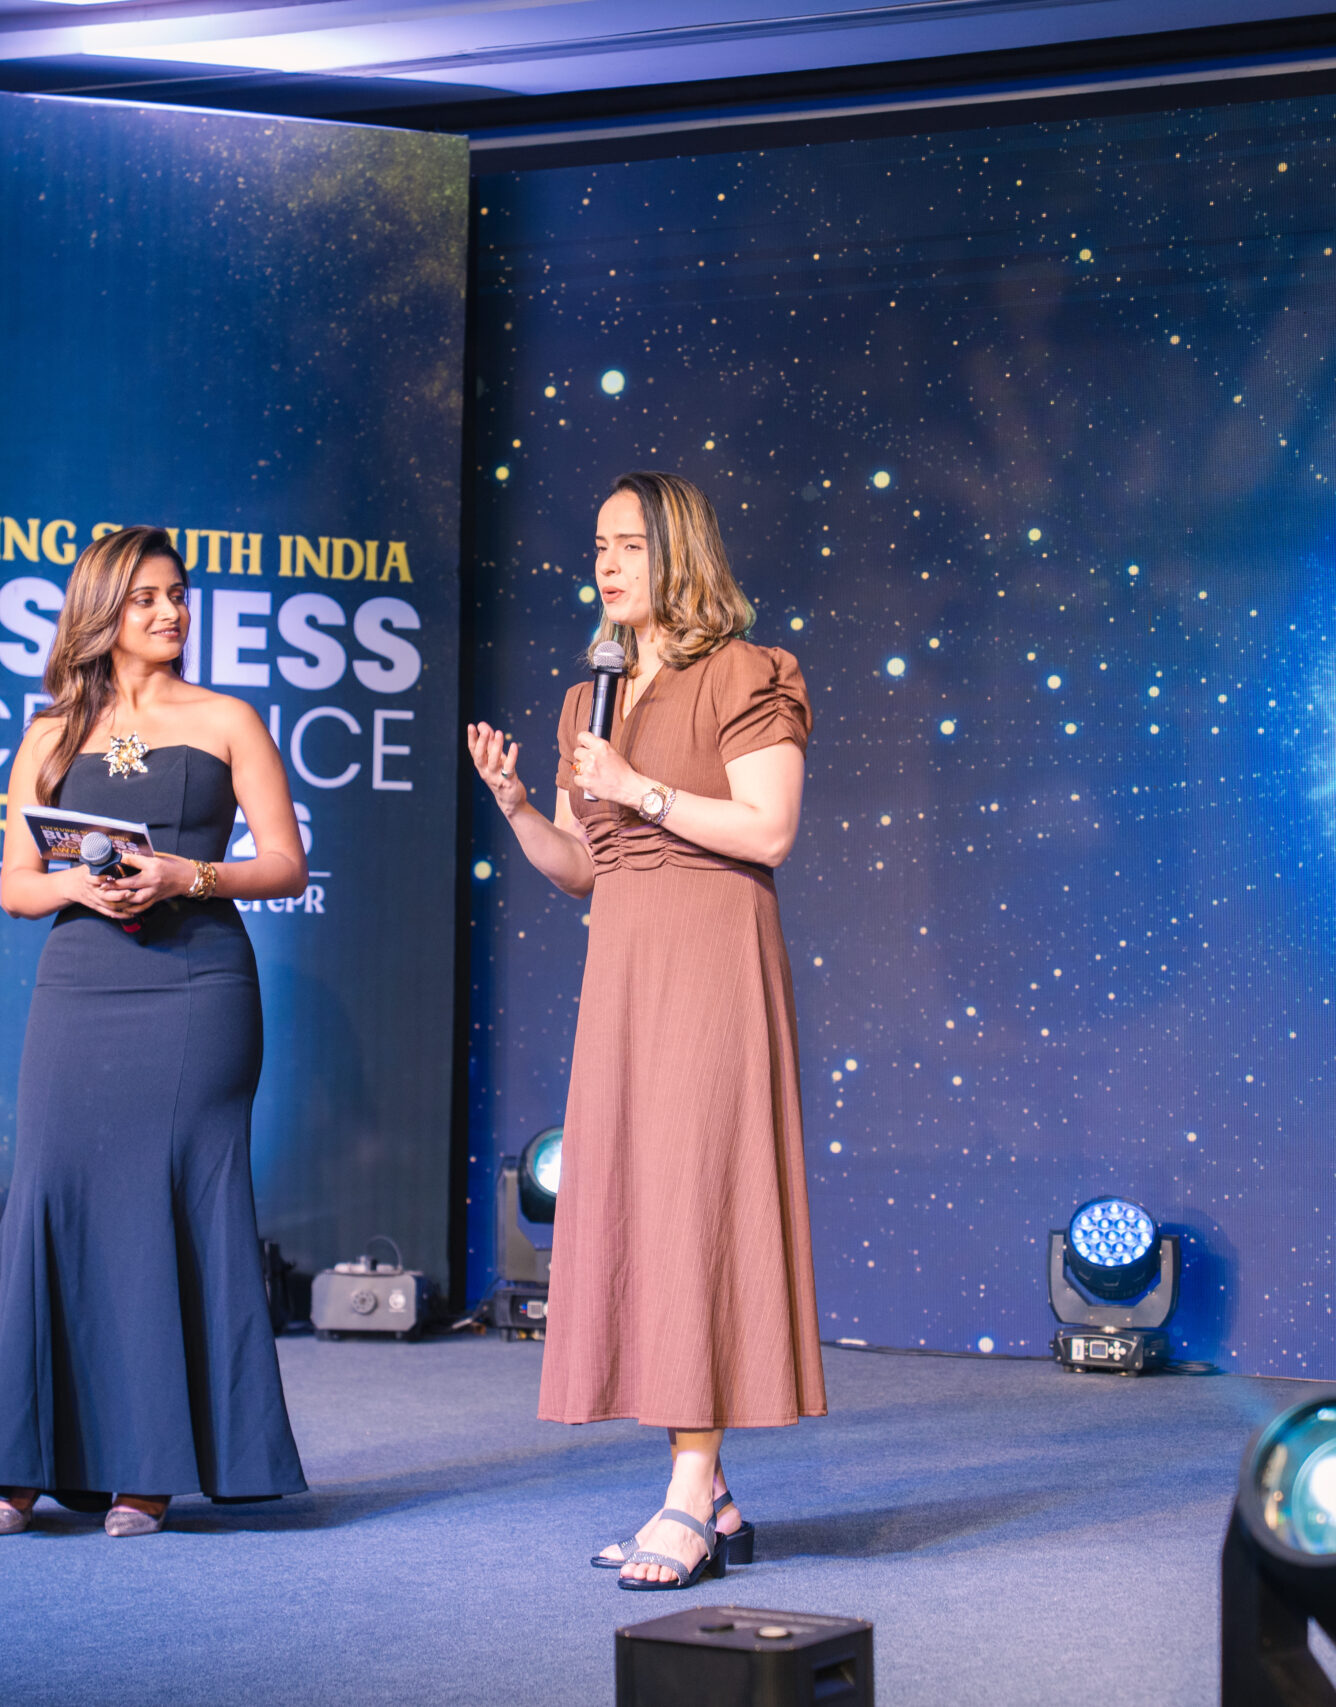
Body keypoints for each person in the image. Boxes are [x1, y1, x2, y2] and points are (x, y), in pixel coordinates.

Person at [0, 525, 311, 1537]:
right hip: (81, 986)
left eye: (178, 594)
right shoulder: (50, 733)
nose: (171, 612)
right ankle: (16, 1460)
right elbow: (15, 886)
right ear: (102, 612)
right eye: (146, 598)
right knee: (51, 1198)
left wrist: (188, 874)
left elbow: (285, 864)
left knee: (162, 1208)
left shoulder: (227, 719)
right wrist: (80, 887)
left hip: (196, 988)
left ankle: (148, 1467)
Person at [465, 472, 824, 1590]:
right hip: (622, 968)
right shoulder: (591, 697)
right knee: (644, 1211)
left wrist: (639, 787)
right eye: (598, 545)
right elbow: (587, 865)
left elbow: (769, 829)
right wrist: (520, 807)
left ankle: (684, 1494)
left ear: (680, 554)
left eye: (629, 544)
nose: (607, 564)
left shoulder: (748, 672)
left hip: (711, 958)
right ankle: (710, 1495)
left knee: (694, 1205)